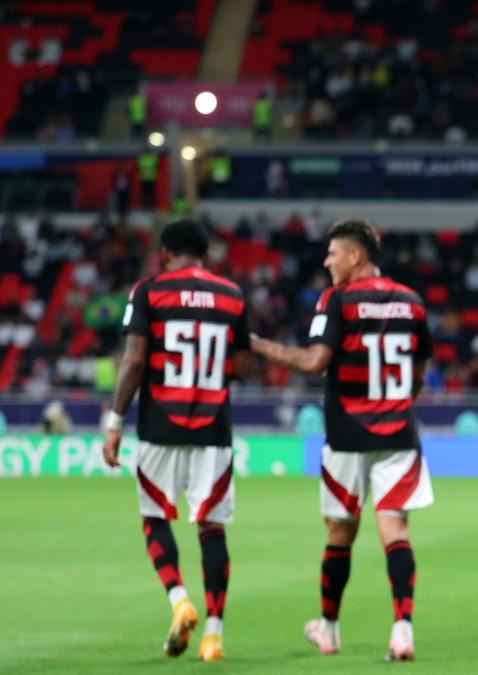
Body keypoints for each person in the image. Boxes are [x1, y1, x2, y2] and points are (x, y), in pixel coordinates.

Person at [251, 220, 433, 661]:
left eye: (333, 253)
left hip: (347, 437)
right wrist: (395, 406)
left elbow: (315, 362)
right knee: (396, 531)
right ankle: (403, 631)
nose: (327, 260)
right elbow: (420, 372)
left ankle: (329, 629)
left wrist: (258, 344)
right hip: (398, 435)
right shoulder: (411, 302)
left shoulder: (337, 299)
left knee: (339, 533)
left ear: (355, 256)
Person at [101, 220, 251, 661]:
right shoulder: (233, 295)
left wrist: (114, 423)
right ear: (205, 254)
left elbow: (133, 362)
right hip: (213, 432)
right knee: (212, 529)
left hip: (160, 429)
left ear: (165, 253)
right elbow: (241, 367)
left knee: (154, 519)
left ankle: (179, 600)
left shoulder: (148, 292)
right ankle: (214, 635)